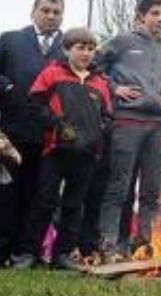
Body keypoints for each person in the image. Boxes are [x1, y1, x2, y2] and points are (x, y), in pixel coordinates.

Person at [0, 0, 67, 268]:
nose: (51, 16)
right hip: (13, 130)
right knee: (5, 192)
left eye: (56, 12)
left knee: (39, 196)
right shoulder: (11, 39)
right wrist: (5, 86)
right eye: (46, 10)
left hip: (49, 136)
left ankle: (25, 252)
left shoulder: (69, 47)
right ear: (33, 11)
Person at [95, 0, 161, 257]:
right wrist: (114, 87)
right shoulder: (123, 41)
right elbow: (94, 65)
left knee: (152, 189)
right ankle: (109, 242)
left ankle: (144, 243)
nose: (160, 19)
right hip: (127, 121)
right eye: (154, 13)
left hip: (159, 126)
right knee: (119, 185)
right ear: (141, 16)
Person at [14, 28, 112, 270]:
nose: (86, 53)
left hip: (87, 153)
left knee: (74, 205)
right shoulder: (52, 74)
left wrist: (97, 134)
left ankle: (63, 254)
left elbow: (108, 116)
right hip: (55, 149)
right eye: (80, 48)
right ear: (67, 49)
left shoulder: (100, 82)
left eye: (90, 49)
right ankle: (28, 253)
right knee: (44, 201)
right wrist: (56, 125)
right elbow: (35, 104)